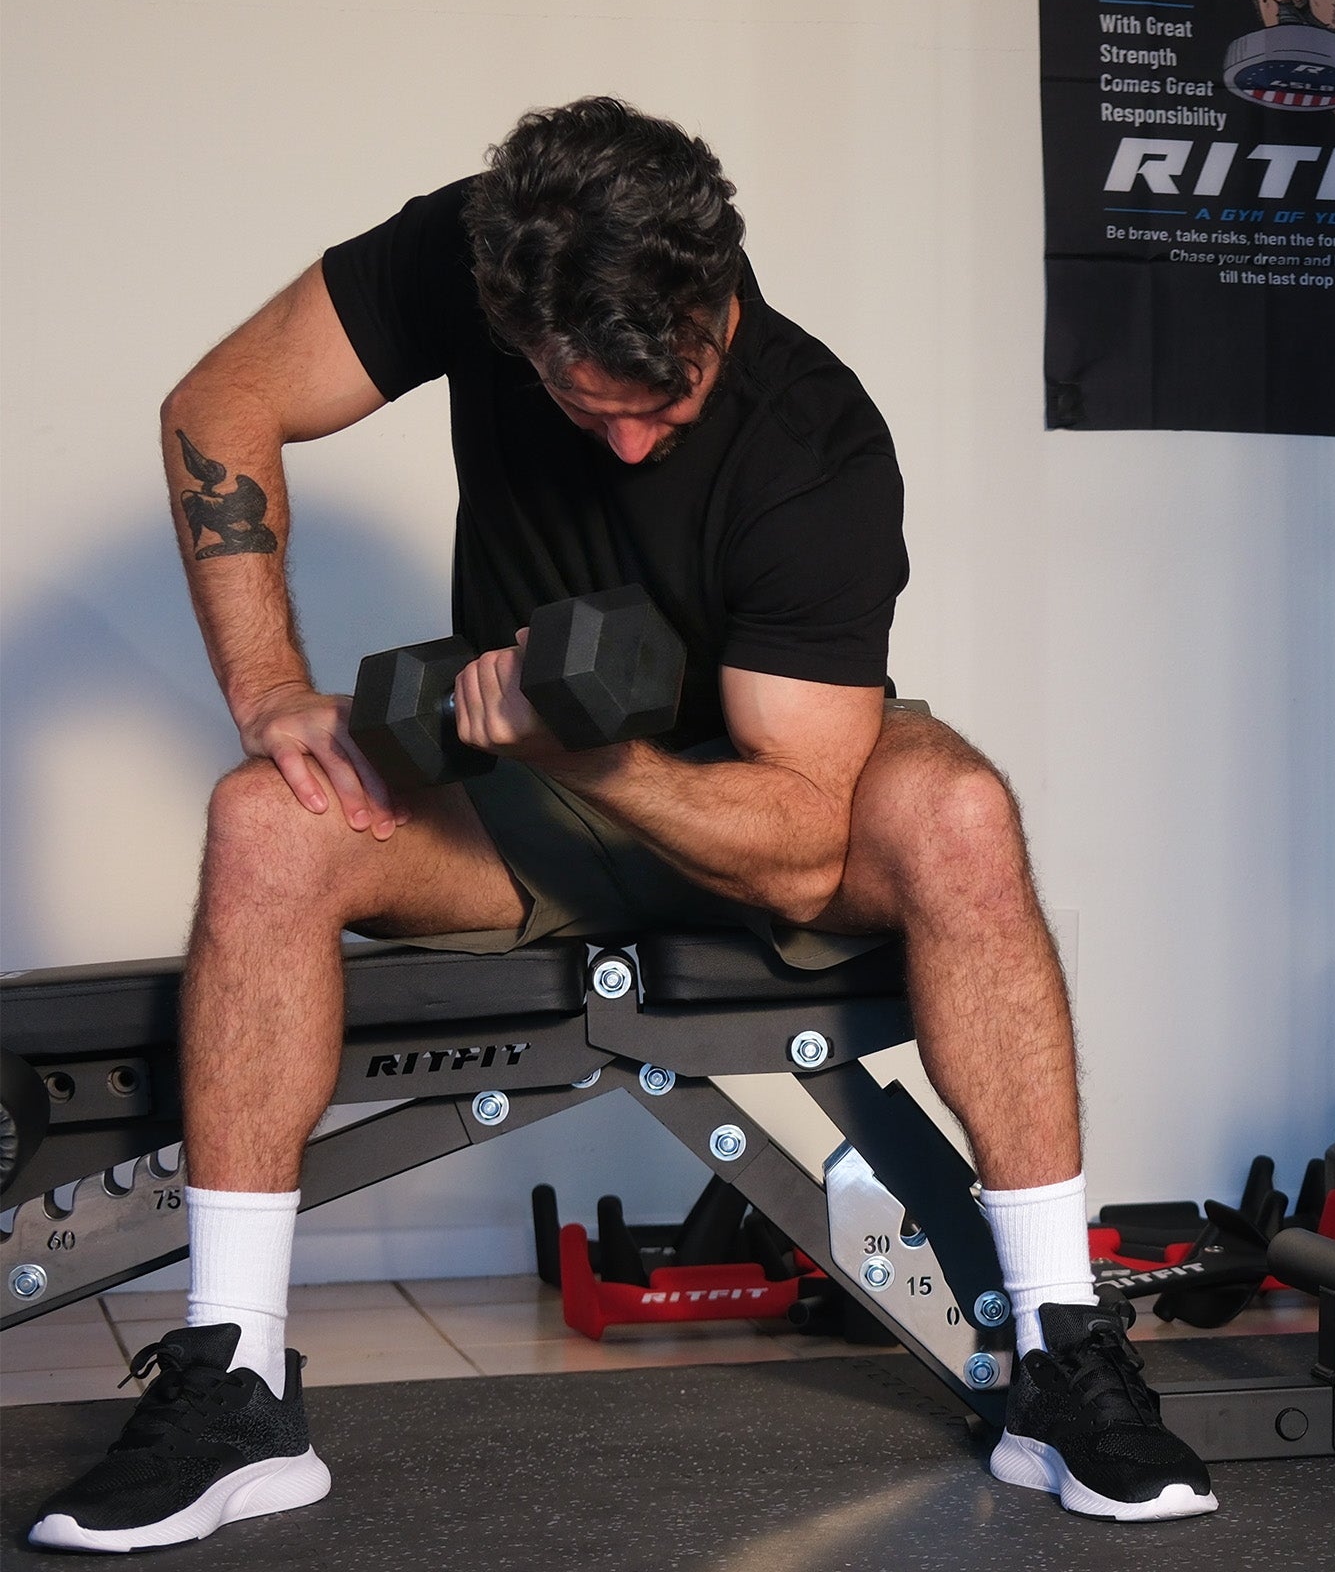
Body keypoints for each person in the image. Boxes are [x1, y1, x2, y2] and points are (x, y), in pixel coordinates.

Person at [28, 98, 1216, 1553]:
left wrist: (595, 761)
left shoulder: (815, 442)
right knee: (262, 821)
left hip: (772, 791)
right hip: (525, 792)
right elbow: (219, 403)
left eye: (671, 398)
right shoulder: (470, 256)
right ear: (513, 328)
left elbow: (800, 845)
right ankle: (234, 1387)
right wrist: (269, 688)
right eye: (593, 409)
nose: (638, 443)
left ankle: (1060, 1359)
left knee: (959, 811)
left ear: (715, 300)